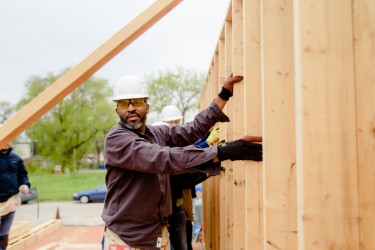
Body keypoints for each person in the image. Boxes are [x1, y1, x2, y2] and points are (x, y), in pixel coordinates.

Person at [101, 73, 263, 250]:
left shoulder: (156, 134)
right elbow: (165, 158)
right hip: (126, 239)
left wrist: (223, 95)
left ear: (147, 105)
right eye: (124, 104)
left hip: (156, 234)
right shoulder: (117, 140)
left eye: (137, 102)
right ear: (117, 109)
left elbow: (191, 130)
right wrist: (222, 152)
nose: (131, 108)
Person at [0, 142, 30, 250]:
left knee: (4, 231)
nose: (6, 143)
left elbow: (23, 175)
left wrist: (25, 184)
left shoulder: (16, 158)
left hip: (11, 200)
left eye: (9, 140)